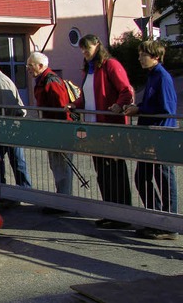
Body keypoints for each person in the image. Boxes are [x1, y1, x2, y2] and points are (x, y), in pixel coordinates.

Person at [68, 34, 134, 229]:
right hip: (94, 127)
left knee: (114, 170)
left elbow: (126, 90)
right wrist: (74, 104)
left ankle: (122, 214)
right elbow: (88, 97)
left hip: (109, 127)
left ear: (97, 45)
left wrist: (118, 105)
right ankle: (109, 211)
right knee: (102, 171)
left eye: (87, 48)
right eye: (82, 49)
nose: (84, 52)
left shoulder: (111, 65)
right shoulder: (89, 69)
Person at [123, 40, 178, 240]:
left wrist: (141, 109)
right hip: (150, 135)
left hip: (160, 135)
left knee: (164, 178)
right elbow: (152, 103)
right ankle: (156, 218)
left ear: (154, 56)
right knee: (143, 177)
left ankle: (168, 223)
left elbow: (167, 109)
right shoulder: (153, 76)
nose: (139, 58)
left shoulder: (162, 77)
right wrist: (137, 106)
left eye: (142, 55)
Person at [27, 52, 74, 213]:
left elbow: (62, 108)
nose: (28, 68)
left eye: (30, 65)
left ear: (41, 66)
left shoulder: (51, 81)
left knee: (62, 166)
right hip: (52, 130)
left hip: (58, 131)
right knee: (57, 166)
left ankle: (64, 202)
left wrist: (58, 131)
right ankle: (61, 199)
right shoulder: (43, 80)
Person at [0, 57, 32, 190]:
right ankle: (3, 189)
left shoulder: (1, 82)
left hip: (8, 129)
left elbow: (8, 108)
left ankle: (24, 190)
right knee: (0, 160)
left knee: (16, 160)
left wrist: (3, 128)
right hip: (3, 128)